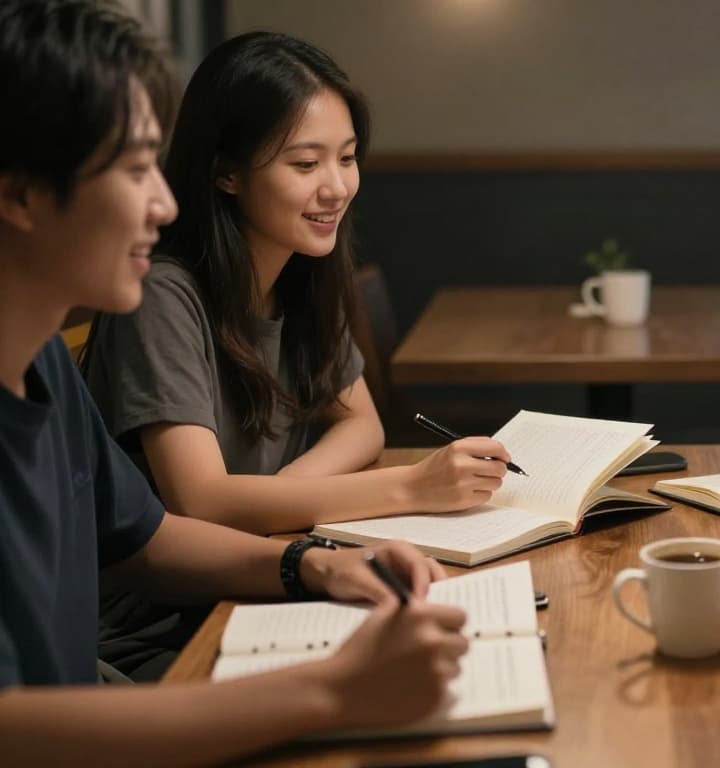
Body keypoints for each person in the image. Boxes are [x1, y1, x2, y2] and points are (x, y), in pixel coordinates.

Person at [0, 1, 470, 762]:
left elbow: (145, 540)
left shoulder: (41, 360)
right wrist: (329, 690)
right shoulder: (164, 293)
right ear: (20, 193)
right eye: (131, 169)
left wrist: (311, 562)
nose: (161, 202)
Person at [81, 31, 511, 538]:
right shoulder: (162, 294)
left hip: (266, 557)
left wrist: (282, 492)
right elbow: (200, 500)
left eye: (347, 158)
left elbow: (362, 425)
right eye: (306, 164)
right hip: (175, 608)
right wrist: (414, 487)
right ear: (225, 173)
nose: (336, 188)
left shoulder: (303, 269)